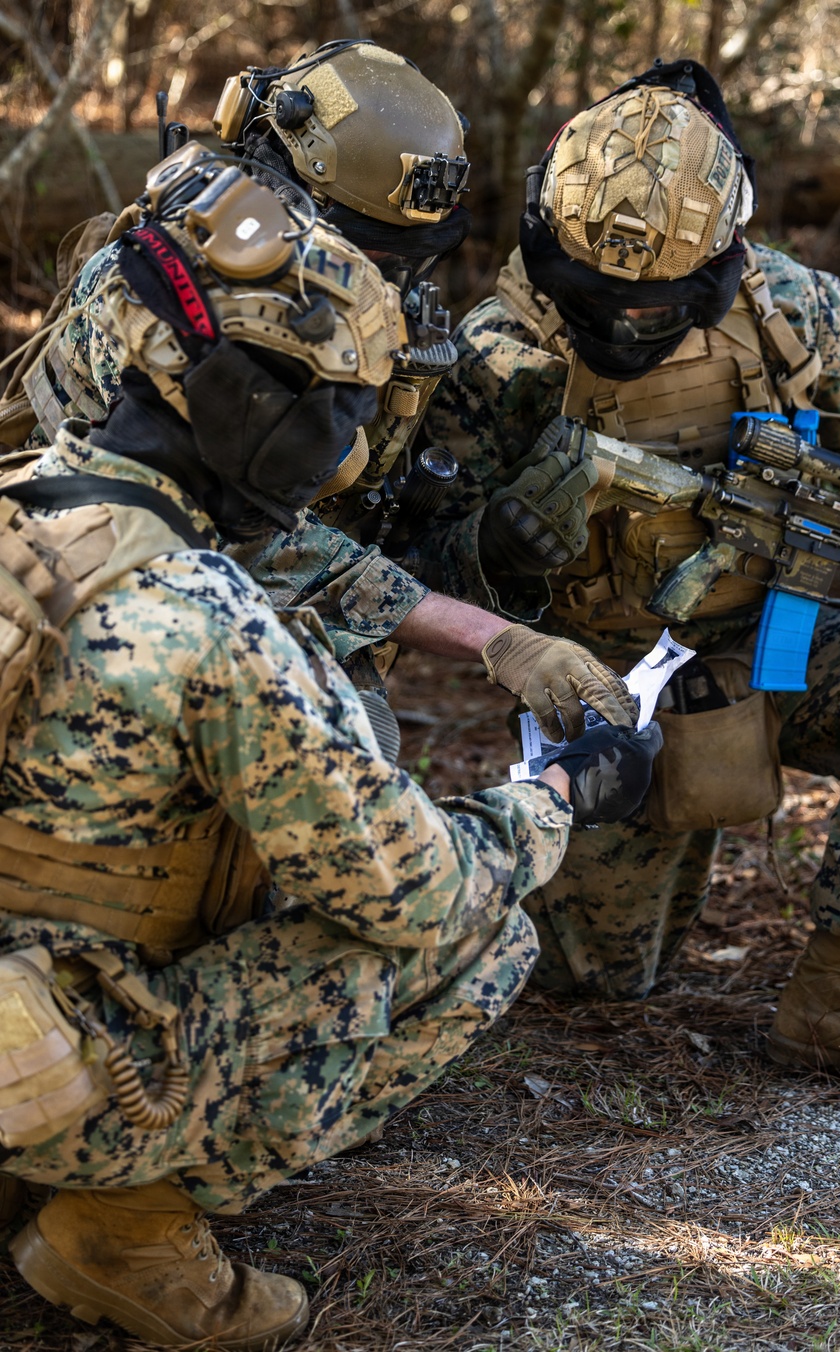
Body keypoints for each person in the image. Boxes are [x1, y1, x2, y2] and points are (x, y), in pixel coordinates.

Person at [0, 162, 661, 1348]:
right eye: (341, 416)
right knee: (481, 931)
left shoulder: (20, 505)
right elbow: (417, 889)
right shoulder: (209, 618)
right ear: (264, 411)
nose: (347, 457)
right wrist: (556, 797)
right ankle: (129, 1226)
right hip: (57, 1073)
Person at [414, 58, 840, 1101]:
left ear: (724, 256)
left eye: (660, 305)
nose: (630, 325)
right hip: (608, 674)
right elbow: (410, 564)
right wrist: (501, 543)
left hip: (783, 634)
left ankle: (839, 995)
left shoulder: (792, 309)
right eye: (603, 303)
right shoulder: (495, 358)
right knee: (595, 986)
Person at [0, 40, 638, 755]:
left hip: (258, 587)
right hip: (96, 584)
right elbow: (251, 540)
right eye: (366, 252)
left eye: (400, 261)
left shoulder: (342, 300)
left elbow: (377, 511)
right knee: (337, 748)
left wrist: (492, 552)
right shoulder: (162, 297)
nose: (379, 282)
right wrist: (494, 639)